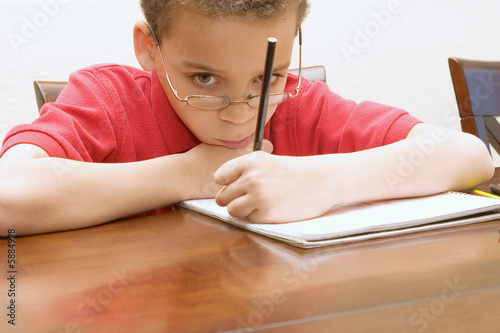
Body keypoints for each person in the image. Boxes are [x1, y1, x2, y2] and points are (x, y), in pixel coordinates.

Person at [0, 0, 494, 236]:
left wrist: (324, 181)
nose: (240, 113)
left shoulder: (302, 106)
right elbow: (9, 196)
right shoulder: (109, 100)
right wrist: (184, 173)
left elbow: (469, 155)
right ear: (150, 48)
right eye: (205, 80)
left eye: (267, 78)